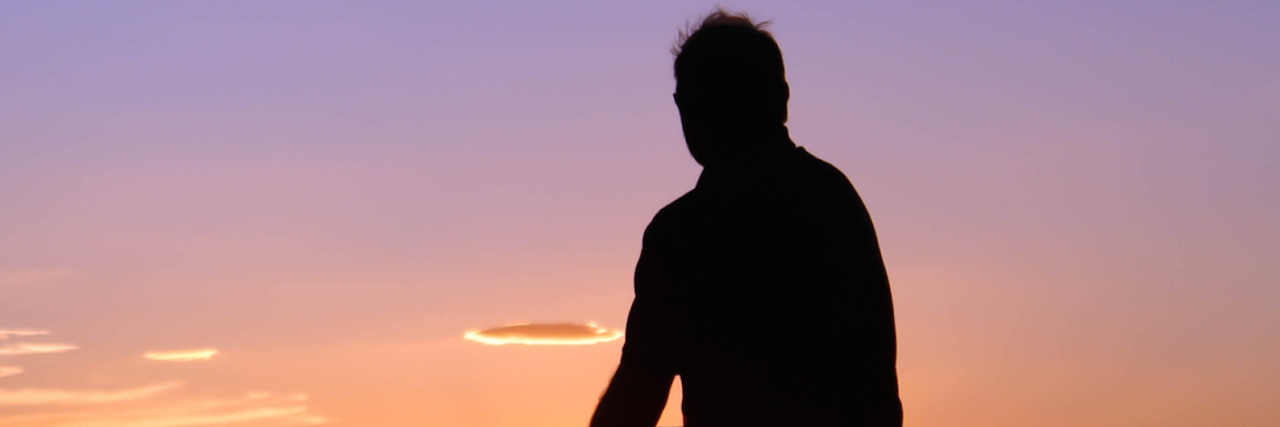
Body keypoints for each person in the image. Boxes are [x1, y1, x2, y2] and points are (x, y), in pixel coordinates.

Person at [589, 9, 903, 427]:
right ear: (782, 97)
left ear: (688, 108)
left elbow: (636, 396)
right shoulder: (834, 201)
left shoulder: (684, 234)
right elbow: (875, 385)